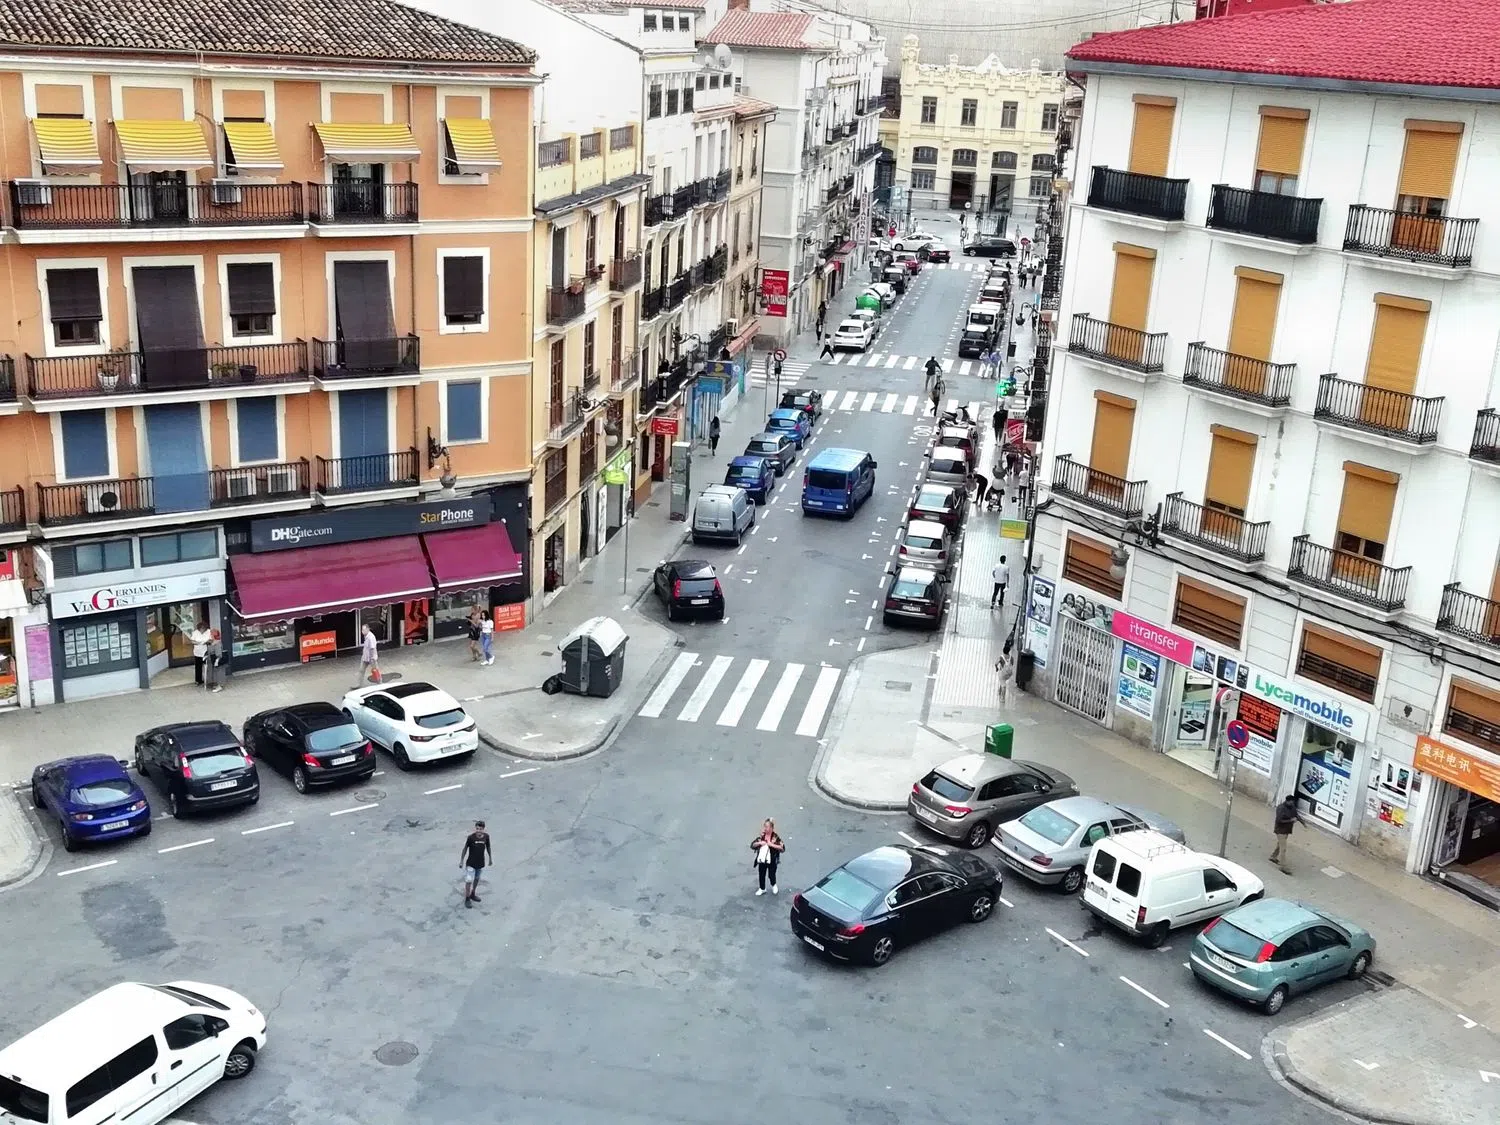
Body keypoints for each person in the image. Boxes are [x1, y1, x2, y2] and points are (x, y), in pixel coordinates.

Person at [750, 818, 785, 895]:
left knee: (771, 874)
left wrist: (771, 844)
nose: (765, 828)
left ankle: (774, 885)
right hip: (762, 859)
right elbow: (752, 845)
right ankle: (762, 888)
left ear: (772, 828)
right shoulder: (761, 837)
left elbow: (782, 848)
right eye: (765, 826)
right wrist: (760, 843)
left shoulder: (775, 838)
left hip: (772, 859)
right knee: (761, 873)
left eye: (767, 826)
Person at [461, 820, 492, 907]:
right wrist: (461, 860)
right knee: (469, 880)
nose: (478, 831)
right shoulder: (471, 838)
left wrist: (490, 858)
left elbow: (488, 847)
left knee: (477, 879)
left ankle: (473, 893)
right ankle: (467, 898)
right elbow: (465, 848)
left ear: (483, 829)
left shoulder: (486, 837)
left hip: (480, 863)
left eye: (480, 829)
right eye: (477, 829)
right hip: (470, 863)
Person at [1271, 794, 1299, 872]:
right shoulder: (1281, 808)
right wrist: (1291, 820)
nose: (1292, 804)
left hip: (1287, 830)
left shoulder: (1292, 807)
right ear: (1287, 801)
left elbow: (1296, 815)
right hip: (1280, 831)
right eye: (1291, 802)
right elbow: (1279, 821)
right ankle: (1283, 867)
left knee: (1280, 845)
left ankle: (1273, 856)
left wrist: (1303, 823)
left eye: (1293, 802)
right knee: (1283, 849)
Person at [189, 621, 212, 688]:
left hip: (206, 652)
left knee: (208, 666)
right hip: (197, 652)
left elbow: (211, 640)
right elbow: (192, 641)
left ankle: (208, 680)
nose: (202, 631)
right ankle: (198, 680)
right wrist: (197, 643)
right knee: (198, 667)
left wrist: (207, 642)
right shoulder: (195, 632)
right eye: (201, 630)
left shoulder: (209, 632)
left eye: (203, 629)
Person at [204, 628, 223, 694]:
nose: (209, 636)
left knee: (218, 673)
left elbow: (219, 654)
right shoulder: (211, 642)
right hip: (211, 660)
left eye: (210, 634)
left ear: (213, 635)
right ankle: (216, 684)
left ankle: (219, 686)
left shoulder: (217, 643)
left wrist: (217, 661)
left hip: (216, 660)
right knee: (214, 673)